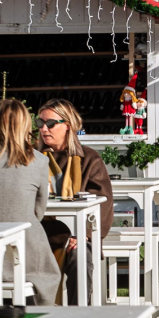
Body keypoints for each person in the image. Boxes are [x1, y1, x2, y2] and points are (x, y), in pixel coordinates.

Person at [36, 98, 114, 305]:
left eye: (50, 124)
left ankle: (77, 317)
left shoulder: (89, 159)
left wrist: (85, 235)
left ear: (68, 125)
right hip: (40, 234)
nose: (44, 129)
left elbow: (103, 205)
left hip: (76, 235)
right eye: (40, 123)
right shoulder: (31, 159)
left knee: (79, 255)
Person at [0, 99, 61, 305]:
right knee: (50, 270)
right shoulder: (39, 161)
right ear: (26, 124)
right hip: (25, 249)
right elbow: (39, 211)